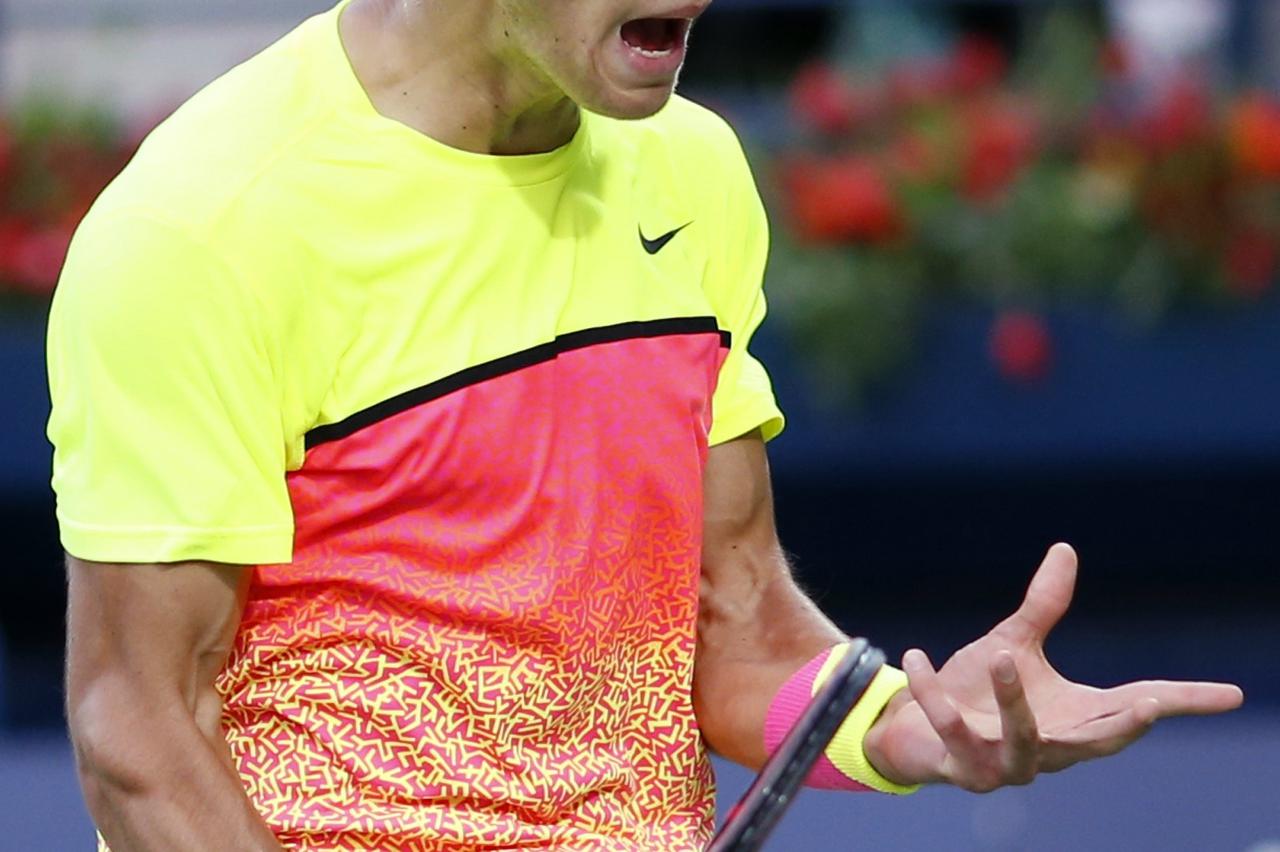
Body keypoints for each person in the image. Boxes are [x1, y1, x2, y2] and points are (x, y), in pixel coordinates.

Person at [47, 0, 1243, 849]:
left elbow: (730, 620)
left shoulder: (691, 169)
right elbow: (139, 729)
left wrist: (908, 730)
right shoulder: (202, 227)